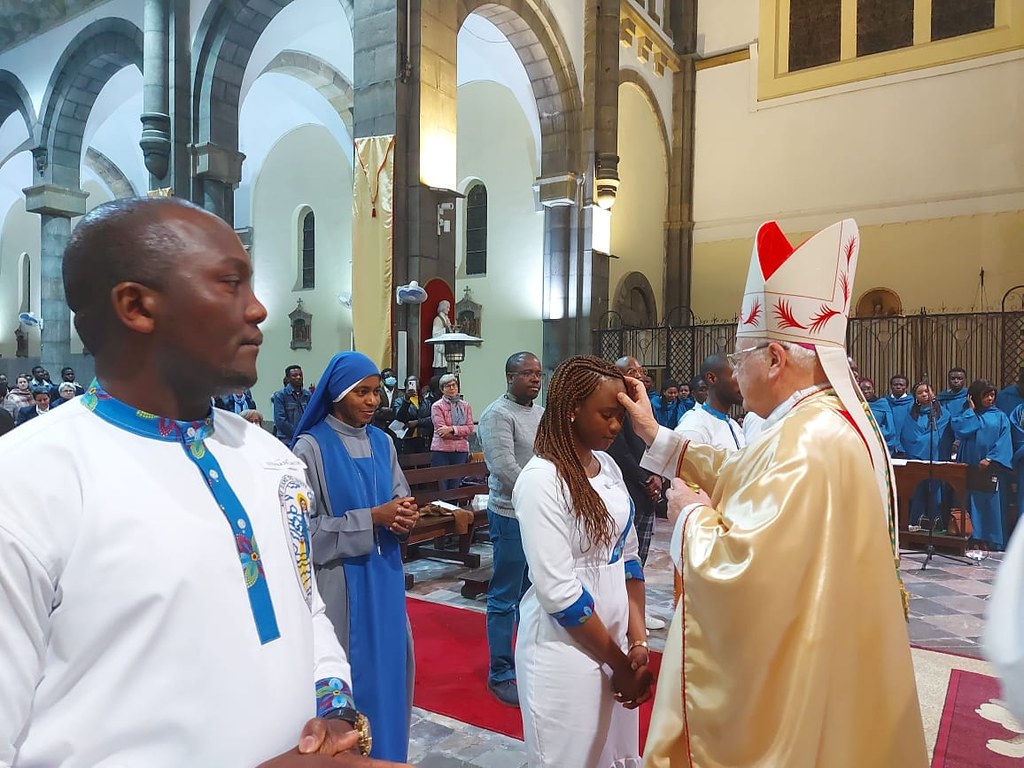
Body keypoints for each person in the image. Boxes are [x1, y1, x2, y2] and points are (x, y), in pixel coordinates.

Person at [0, 197, 391, 767]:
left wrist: (332, 711)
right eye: (230, 283)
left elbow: (303, 604)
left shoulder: (268, 456)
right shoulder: (28, 479)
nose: (258, 309)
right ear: (137, 306)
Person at [624, 219, 926, 767]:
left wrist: (691, 518)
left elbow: (748, 568)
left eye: (741, 357)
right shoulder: (817, 423)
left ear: (777, 359)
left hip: (805, 676)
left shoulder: (810, 440)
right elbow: (745, 473)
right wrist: (656, 436)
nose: (736, 372)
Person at [513, 355, 652, 768]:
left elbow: (627, 560)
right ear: (572, 407)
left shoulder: (606, 465)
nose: (615, 427)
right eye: (607, 415)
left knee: (615, 756)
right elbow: (559, 595)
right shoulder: (542, 480)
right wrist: (619, 663)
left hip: (616, 642)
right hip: (565, 648)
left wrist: (638, 641)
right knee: (572, 758)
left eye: (620, 418)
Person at [291, 352, 418, 763]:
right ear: (336, 394)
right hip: (340, 585)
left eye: (376, 391)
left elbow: (398, 495)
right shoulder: (309, 448)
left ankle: (390, 755)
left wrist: (404, 516)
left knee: (390, 677)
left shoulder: (382, 442)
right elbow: (303, 533)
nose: (372, 401)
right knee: (352, 678)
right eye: (361, 392)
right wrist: (372, 519)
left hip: (385, 576)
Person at [477, 351, 544, 707]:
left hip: (537, 514)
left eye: (538, 373)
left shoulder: (541, 414)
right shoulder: (496, 415)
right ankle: (500, 672)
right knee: (504, 596)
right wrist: (538, 498)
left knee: (532, 593)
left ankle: (527, 660)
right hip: (510, 514)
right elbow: (504, 467)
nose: (535, 379)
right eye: (527, 373)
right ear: (509, 376)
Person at [608, 356, 664, 631]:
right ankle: (625, 614)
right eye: (631, 372)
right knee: (624, 558)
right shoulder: (613, 408)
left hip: (646, 492)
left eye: (641, 370)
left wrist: (658, 476)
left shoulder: (646, 407)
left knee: (641, 554)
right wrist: (645, 479)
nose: (639, 375)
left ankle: (637, 612)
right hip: (628, 488)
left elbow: (655, 443)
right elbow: (621, 453)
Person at [952, 379, 1012, 551]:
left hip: (989, 467)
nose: (990, 399)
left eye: (993, 395)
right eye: (986, 395)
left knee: (989, 503)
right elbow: (962, 430)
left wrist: (990, 458)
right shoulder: (968, 413)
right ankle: (971, 536)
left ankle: (989, 538)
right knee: (970, 501)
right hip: (969, 465)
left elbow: (1004, 440)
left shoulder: (1000, 416)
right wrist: (970, 411)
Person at [900, 382, 952, 528]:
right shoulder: (911, 414)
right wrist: (921, 445)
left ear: (934, 393)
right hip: (916, 459)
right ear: (915, 397)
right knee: (917, 492)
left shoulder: (944, 414)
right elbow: (908, 436)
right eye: (920, 393)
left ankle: (936, 524)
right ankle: (916, 523)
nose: (924, 395)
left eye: (927, 391)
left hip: (936, 458)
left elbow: (942, 436)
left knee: (935, 492)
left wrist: (927, 442)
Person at [674, 354, 745, 451]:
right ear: (711, 378)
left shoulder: (735, 426)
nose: (742, 383)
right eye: (735, 376)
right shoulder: (693, 429)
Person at [430, 373, 475, 488]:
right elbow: (442, 432)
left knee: (455, 486)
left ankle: (455, 506)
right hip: (442, 450)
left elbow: (470, 428)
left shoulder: (465, 406)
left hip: (460, 451)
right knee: (443, 487)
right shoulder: (437, 406)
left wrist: (451, 429)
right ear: (442, 389)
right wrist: (461, 434)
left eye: (454, 385)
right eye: (448, 386)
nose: (452, 388)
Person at [272, 365, 311, 444]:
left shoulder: (307, 395)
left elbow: (311, 415)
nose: (298, 377)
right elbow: (280, 421)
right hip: (287, 440)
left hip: (304, 438)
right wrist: (296, 434)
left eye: (300, 375)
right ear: (288, 378)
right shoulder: (280, 395)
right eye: (294, 375)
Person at [860, 377, 898, 455]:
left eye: (868, 388)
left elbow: (889, 427)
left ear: (873, 389)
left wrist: (874, 432)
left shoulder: (882, 404)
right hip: (859, 443)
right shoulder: (853, 404)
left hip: (878, 442)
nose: (865, 391)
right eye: (862, 389)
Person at [394, 375, 431, 454]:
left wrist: (418, 422)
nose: (413, 385)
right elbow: (400, 418)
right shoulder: (399, 401)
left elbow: (432, 420)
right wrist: (406, 401)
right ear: (406, 386)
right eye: (410, 383)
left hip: (423, 440)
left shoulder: (426, 402)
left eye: (415, 382)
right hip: (406, 440)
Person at [937, 367, 968, 459]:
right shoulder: (941, 397)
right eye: (953, 378)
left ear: (965, 380)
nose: (956, 381)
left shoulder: (969, 397)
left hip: (963, 435)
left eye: (959, 378)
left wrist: (959, 438)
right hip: (944, 435)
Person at [885, 374, 913, 454]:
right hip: (887, 444)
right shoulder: (884, 402)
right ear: (891, 386)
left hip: (907, 445)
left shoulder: (913, 403)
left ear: (906, 387)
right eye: (895, 384)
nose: (898, 387)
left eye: (901, 385)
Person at [431, 300, 453, 379]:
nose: (449, 309)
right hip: (441, 351)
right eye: (447, 307)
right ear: (443, 307)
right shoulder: (438, 319)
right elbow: (436, 334)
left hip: (448, 350)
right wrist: (446, 330)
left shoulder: (446, 319)